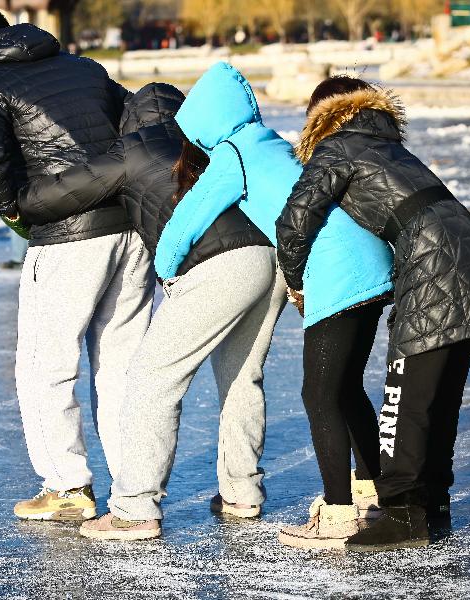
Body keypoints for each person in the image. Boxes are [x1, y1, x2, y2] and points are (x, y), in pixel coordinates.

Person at [16, 82, 284, 541]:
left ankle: (135, 509)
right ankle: (242, 491)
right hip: (266, 259)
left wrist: (17, 201)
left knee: (152, 380)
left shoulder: (131, 148)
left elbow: (61, 193)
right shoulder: (201, 145)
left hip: (217, 268)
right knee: (242, 376)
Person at [152, 62, 396, 549]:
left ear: (204, 121)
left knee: (319, 395)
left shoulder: (233, 155)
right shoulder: (275, 143)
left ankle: (338, 514)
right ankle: (374, 491)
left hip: (337, 274)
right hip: (372, 264)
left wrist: (166, 266)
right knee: (347, 388)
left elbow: (189, 218)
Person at [276, 76, 470, 552]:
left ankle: (403, 514)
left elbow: (295, 219)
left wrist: (296, 282)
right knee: (436, 393)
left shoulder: (336, 146)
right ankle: (431, 507)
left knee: (404, 397)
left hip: (429, 256)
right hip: (464, 243)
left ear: (320, 116)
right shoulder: (383, 143)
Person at [0, 8, 154, 521]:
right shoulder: (84, 68)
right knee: (120, 368)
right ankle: (135, 490)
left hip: (67, 238)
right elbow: (135, 119)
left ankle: (67, 487)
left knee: (45, 366)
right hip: (130, 231)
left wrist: (15, 208)